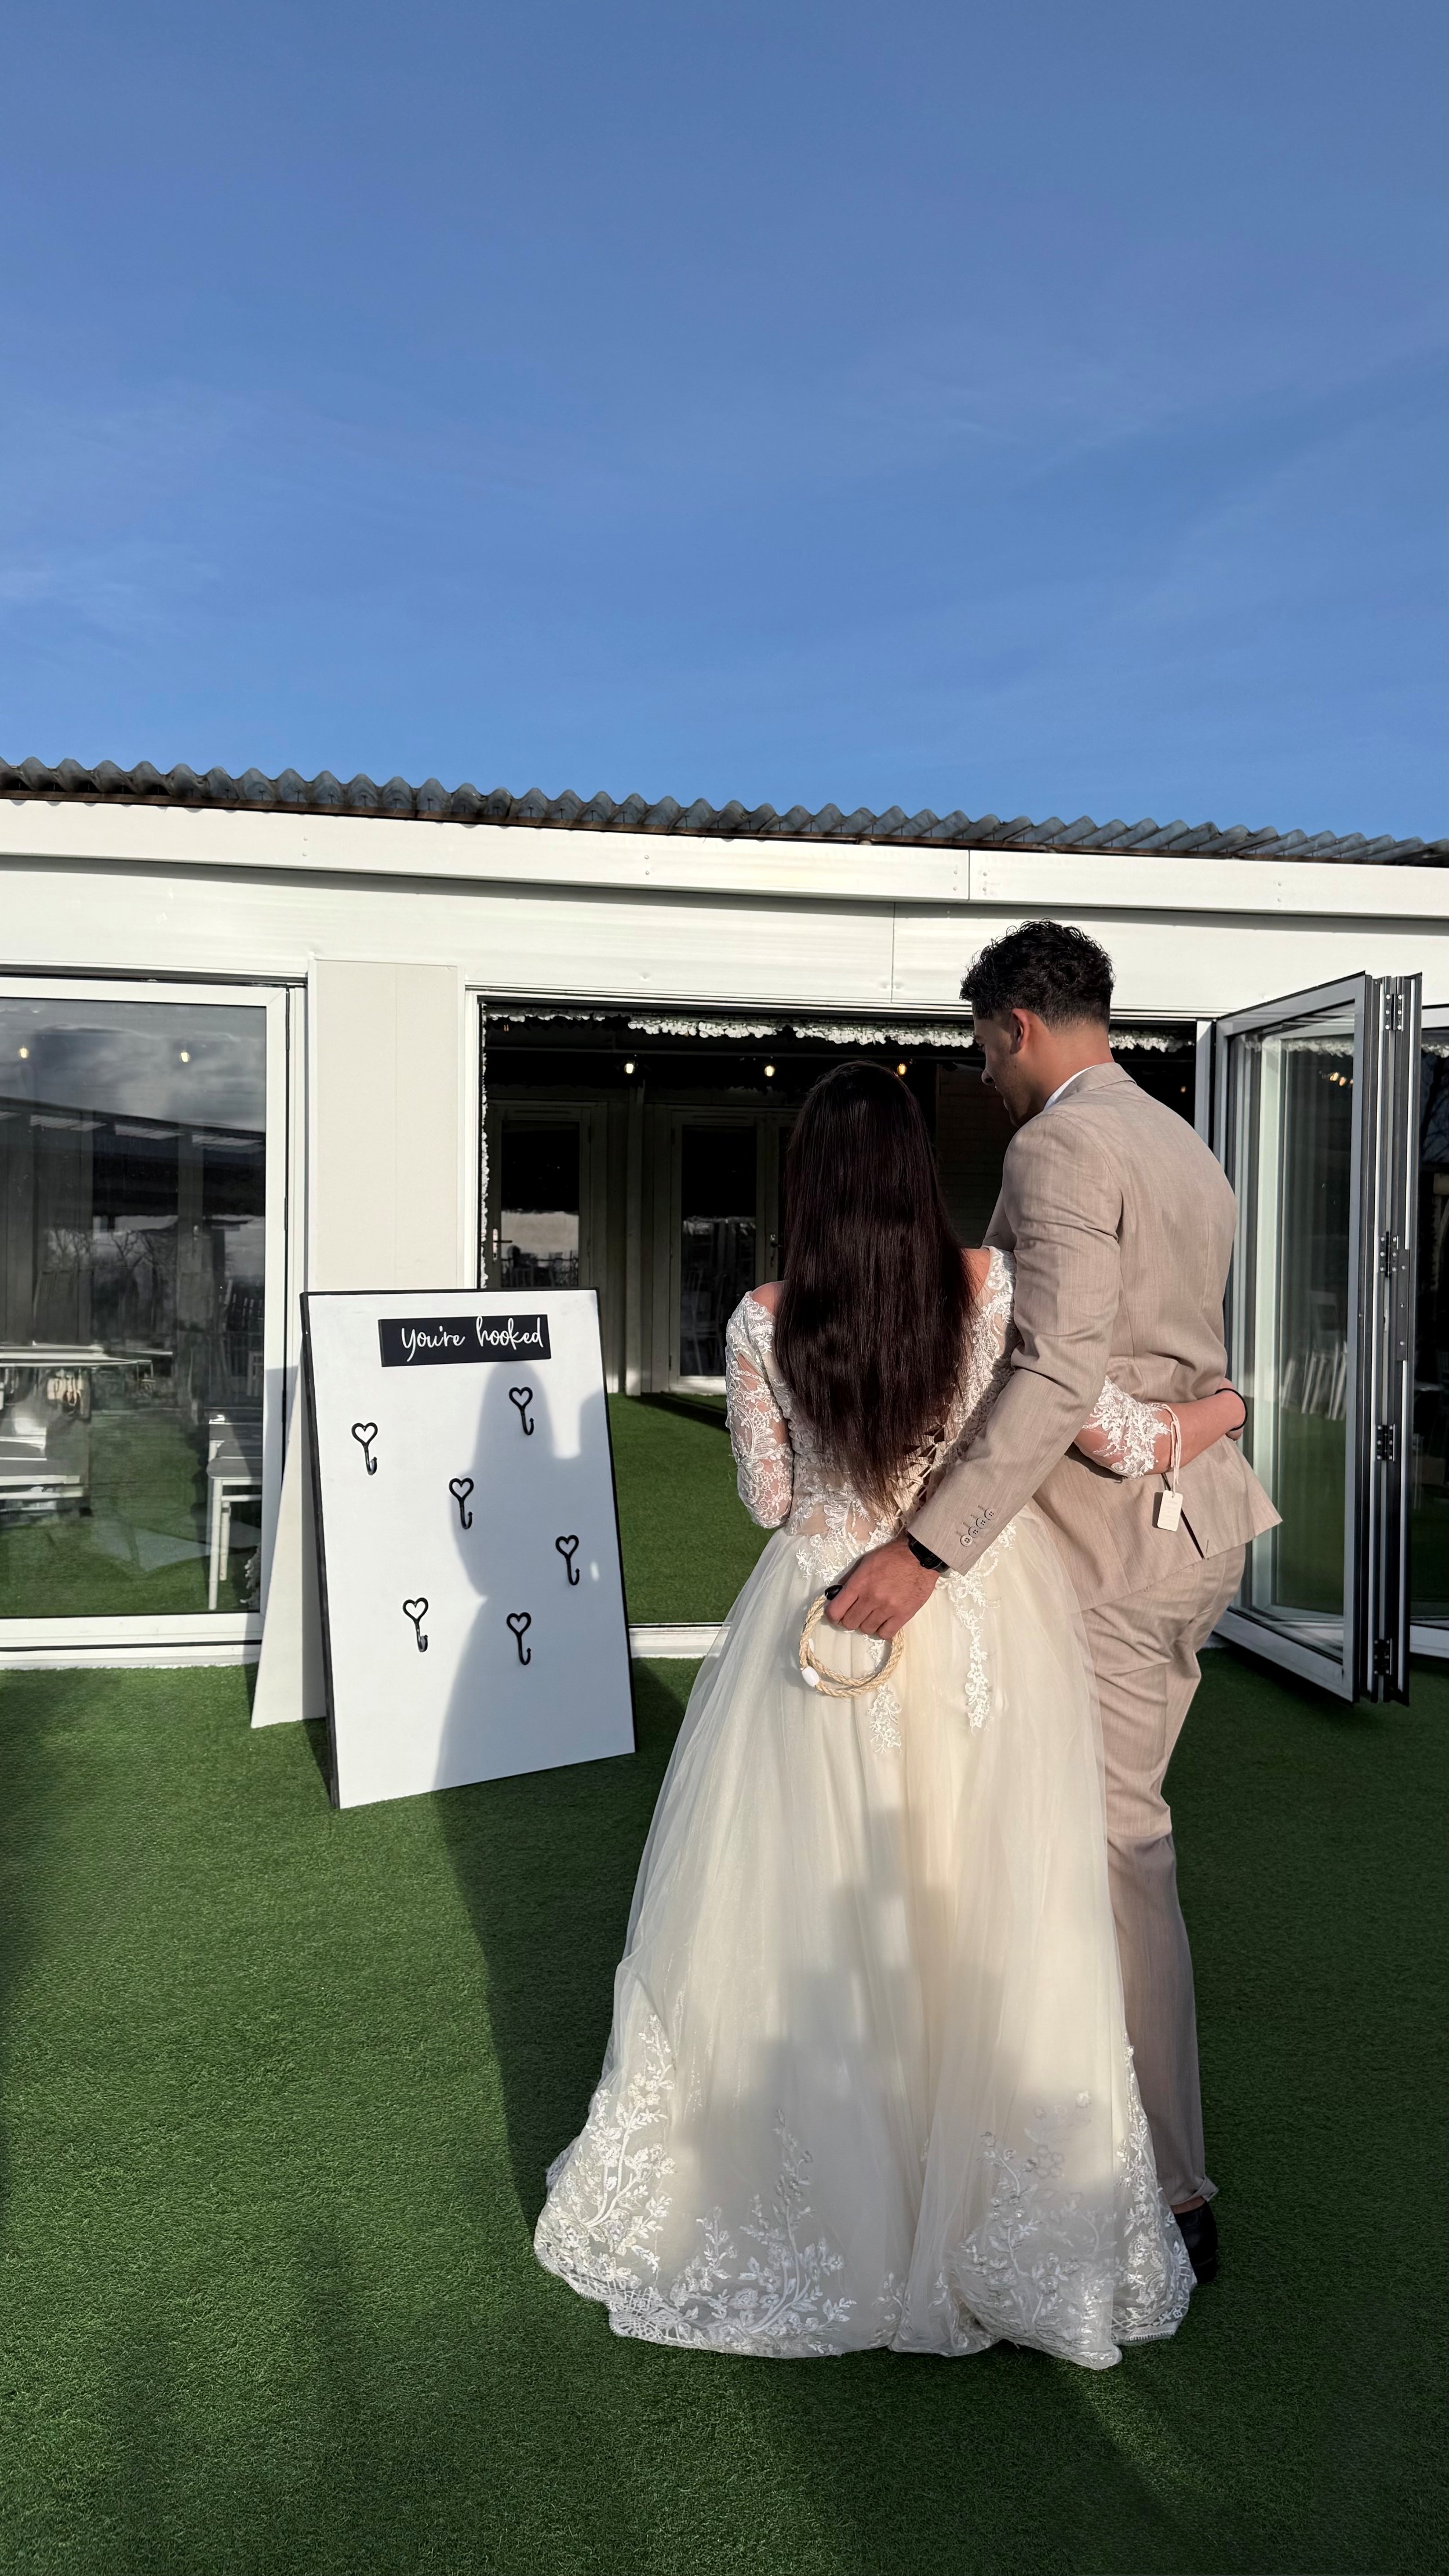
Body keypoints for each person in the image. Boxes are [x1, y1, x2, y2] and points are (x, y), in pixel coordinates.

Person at [534, 1061, 1247, 2366]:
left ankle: (832, 2191)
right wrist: (1224, 1408)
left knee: (804, 1900)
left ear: (805, 1181)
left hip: (825, 1615)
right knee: (989, 1896)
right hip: (978, 1613)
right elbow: (1098, 1431)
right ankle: (995, 2198)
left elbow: (765, 1497)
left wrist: (835, 1486)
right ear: (918, 1175)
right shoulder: (991, 1289)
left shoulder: (760, 1317)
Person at [827, 923, 1279, 2288]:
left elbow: (1059, 1366)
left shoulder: (1057, 1145)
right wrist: (1211, 1413)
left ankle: (1170, 2189)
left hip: (1115, 1544)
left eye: (977, 1048)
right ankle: (1051, 2128)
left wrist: (927, 1545)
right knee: (1080, 1844)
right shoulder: (1178, 1138)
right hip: (1189, 1522)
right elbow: (1156, 1349)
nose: (981, 1077)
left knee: (1111, 1852)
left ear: (1017, 1023)